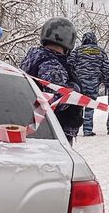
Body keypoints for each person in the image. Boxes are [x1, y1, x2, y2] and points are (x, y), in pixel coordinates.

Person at [20, 17, 83, 145]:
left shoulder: (35, 58)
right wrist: (74, 89)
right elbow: (57, 101)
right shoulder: (52, 65)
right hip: (53, 132)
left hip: (37, 127)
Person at [68, 31, 109, 136]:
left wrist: (72, 79)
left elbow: (69, 65)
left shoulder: (77, 51)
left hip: (78, 84)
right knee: (90, 106)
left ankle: (75, 129)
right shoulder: (101, 52)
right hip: (93, 84)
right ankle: (87, 130)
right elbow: (106, 69)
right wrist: (104, 80)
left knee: (77, 106)